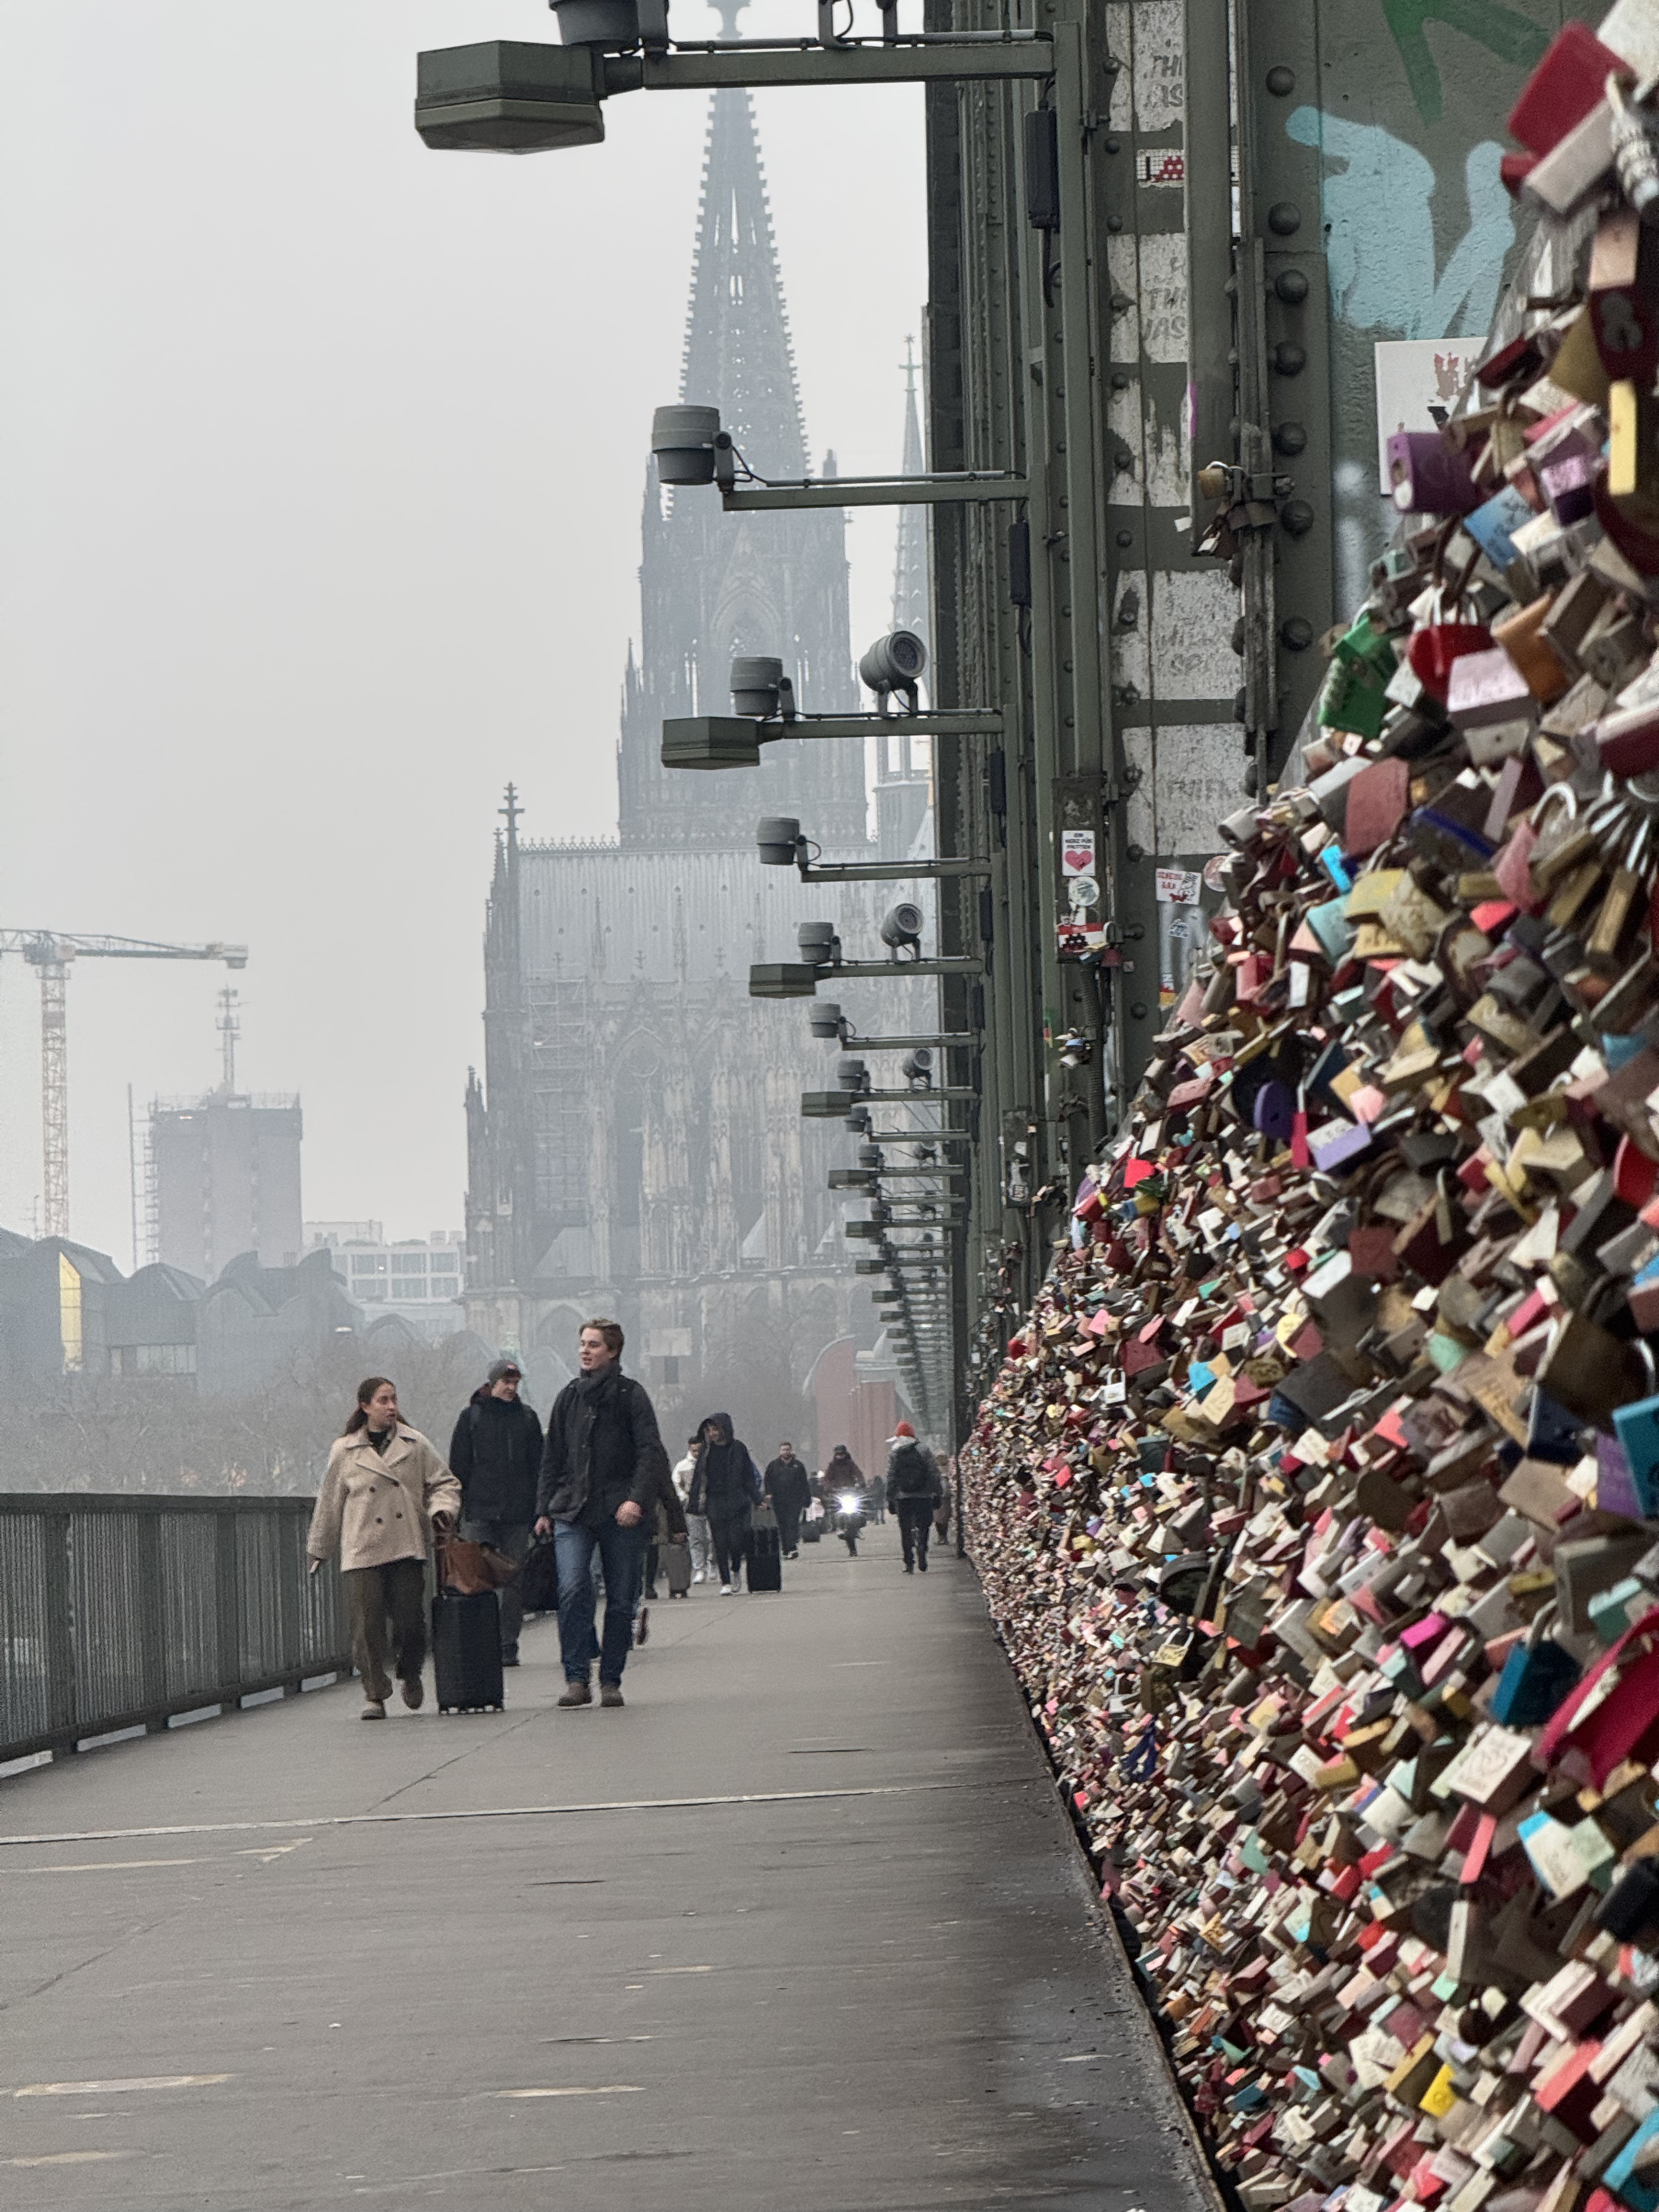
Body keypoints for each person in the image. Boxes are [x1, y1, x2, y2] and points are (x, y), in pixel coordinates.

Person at [307, 1376, 460, 1720]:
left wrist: (441, 1510)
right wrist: (320, 1547)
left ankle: (410, 1673)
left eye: (394, 1400)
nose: (392, 1407)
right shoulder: (345, 1449)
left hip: (405, 1542)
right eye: (383, 1401)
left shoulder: (415, 1443)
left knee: (410, 1621)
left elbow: (444, 1482)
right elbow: (330, 1500)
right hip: (362, 1546)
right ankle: (374, 1694)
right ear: (365, 1407)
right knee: (366, 1625)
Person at [533, 1318, 665, 1709]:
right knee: (573, 1589)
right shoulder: (569, 1397)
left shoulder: (631, 1396)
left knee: (622, 1600)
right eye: (582, 1344)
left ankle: (610, 1679)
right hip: (573, 1511)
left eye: (593, 1345)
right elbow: (551, 1456)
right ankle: (576, 1678)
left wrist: (636, 1500)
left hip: (620, 1512)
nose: (585, 1351)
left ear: (613, 1351)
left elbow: (650, 1453)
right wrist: (543, 1509)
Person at [448, 1357, 544, 1667]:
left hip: (517, 1513)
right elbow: (458, 1467)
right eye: (506, 1382)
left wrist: (539, 1510)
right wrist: (458, 1509)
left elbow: (538, 1468)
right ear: (492, 1383)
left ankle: (507, 1644)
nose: (511, 1388)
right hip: (479, 1510)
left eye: (515, 1383)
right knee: (476, 1579)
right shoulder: (471, 1418)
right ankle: (481, 1643)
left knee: (513, 1580)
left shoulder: (528, 1419)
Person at [689, 1412, 761, 1593]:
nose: (712, 1434)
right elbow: (698, 1478)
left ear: (724, 1429)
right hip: (715, 1501)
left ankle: (736, 1568)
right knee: (719, 1542)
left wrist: (758, 1499)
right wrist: (694, 1503)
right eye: (709, 1430)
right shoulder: (706, 1451)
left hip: (737, 1501)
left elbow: (748, 1477)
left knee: (737, 1541)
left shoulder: (738, 1448)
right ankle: (726, 1582)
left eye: (716, 1429)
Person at [886, 1421, 944, 1575]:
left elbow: (891, 1476)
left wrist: (890, 1498)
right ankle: (922, 1550)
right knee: (924, 1526)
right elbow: (933, 1472)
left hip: (903, 1497)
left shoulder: (895, 1452)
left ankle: (909, 1563)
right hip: (923, 1496)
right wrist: (938, 1492)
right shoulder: (923, 1449)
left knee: (905, 1530)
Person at [673, 1432, 714, 1585]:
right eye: (694, 1450)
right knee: (695, 1539)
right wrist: (684, 1498)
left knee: (712, 1538)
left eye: (699, 1450)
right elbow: (676, 1484)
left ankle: (711, 1563)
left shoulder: (710, 1463)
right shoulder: (682, 1466)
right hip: (692, 1506)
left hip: (710, 1504)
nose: (697, 1453)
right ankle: (699, 1569)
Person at [763, 1441, 811, 1560]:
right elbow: (768, 1481)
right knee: (782, 1525)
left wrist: (807, 1499)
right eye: (783, 1450)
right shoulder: (773, 1466)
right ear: (780, 1452)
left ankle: (793, 1547)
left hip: (795, 1500)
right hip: (779, 1500)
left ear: (791, 1450)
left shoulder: (798, 1466)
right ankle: (786, 1549)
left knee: (793, 1523)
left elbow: (804, 1483)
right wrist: (768, 1494)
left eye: (788, 1449)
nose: (786, 1452)